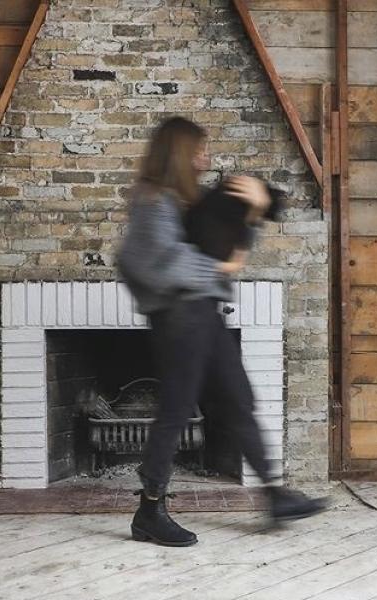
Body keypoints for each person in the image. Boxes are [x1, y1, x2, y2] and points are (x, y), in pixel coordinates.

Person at [116, 116, 328, 548]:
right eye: (198, 150)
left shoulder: (177, 203)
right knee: (176, 412)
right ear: (178, 153)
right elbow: (143, 261)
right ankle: (149, 511)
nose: (205, 158)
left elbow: (211, 249)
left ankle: (274, 495)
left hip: (202, 313)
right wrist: (221, 266)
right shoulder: (152, 201)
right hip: (180, 318)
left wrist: (250, 213)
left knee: (238, 398)